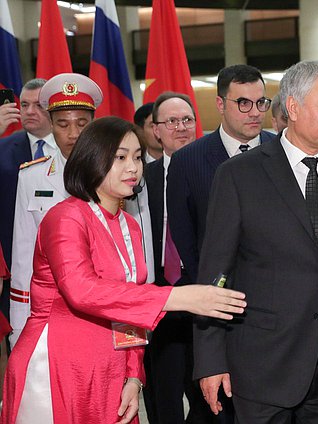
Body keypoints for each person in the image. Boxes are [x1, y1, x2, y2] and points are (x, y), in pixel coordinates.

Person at [1, 116, 246, 424]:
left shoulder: (129, 224)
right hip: (58, 363)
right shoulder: (65, 218)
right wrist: (178, 298)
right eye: (120, 157)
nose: (133, 167)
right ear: (91, 159)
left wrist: (133, 376)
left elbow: (129, 306)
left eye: (137, 157)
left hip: (110, 366)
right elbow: (82, 290)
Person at [194, 60, 318, 423]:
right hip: (262, 363)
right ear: (293, 108)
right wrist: (210, 359)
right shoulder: (238, 175)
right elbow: (216, 272)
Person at [8, 73, 101, 347]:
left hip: (103, 308)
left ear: (93, 124)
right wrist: (20, 327)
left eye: (82, 124)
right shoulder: (32, 177)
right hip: (48, 312)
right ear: (51, 125)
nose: (73, 134)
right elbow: (23, 256)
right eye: (62, 124)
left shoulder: (118, 172)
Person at [167, 64, 275, 283]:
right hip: (217, 296)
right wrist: (210, 287)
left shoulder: (281, 152)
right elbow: (184, 237)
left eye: (261, 103)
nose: (255, 112)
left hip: (279, 292)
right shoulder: (187, 161)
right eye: (243, 103)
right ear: (220, 104)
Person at [141, 91, 202, 423]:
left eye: (187, 120)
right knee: (163, 396)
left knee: (208, 395)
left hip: (201, 295)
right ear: (156, 130)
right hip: (157, 299)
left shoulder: (216, 172)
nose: (181, 127)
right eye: (172, 121)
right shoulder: (139, 179)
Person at [0, 79, 54, 324]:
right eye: (24, 104)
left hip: (61, 263)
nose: (29, 111)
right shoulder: (3, 147)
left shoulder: (76, 147)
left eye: (39, 105)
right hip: (13, 266)